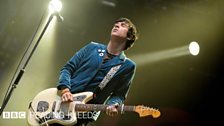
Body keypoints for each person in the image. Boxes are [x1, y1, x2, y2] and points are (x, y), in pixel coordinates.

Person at [57, 17, 138, 126]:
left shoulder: (127, 66)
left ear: (129, 36)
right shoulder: (92, 48)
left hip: (84, 116)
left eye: (123, 25)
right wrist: (65, 90)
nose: (117, 25)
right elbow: (67, 68)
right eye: (116, 24)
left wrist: (113, 104)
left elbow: (119, 94)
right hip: (60, 102)